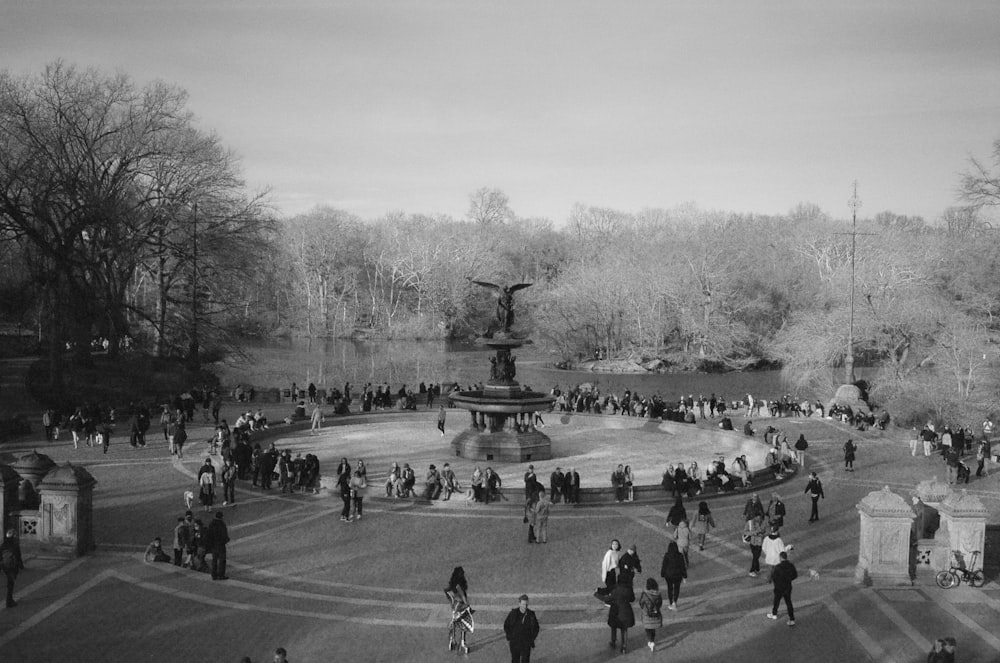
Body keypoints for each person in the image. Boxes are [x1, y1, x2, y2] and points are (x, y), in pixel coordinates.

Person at [445, 566, 473, 654]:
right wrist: (468, 606)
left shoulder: (452, 586)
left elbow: (449, 596)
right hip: (461, 607)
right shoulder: (459, 586)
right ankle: (463, 643)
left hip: (454, 607)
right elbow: (464, 598)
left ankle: (452, 641)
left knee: (454, 623)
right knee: (464, 625)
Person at [503, 594, 540, 663]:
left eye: (526, 604)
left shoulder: (531, 614)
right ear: (519, 604)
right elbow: (506, 625)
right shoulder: (513, 613)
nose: (525, 606)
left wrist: (531, 638)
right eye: (523, 604)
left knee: (525, 660)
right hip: (515, 642)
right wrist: (510, 636)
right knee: (515, 660)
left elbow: (536, 627)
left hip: (526, 642)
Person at [766, 550, 798, 626]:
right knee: (788, 602)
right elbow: (795, 575)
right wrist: (789, 579)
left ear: (780, 558)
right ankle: (792, 619)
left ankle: (774, 614)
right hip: (787, 587)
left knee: (776, 601)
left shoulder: (777, 567)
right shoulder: (791, 565)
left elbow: (774, 577)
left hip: (779, 587)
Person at [606, 576, 635, 654]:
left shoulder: (614, 589)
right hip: (626, 610)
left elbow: (609, 599)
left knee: (614, 626)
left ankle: (613, 641)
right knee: (624, 629)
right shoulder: (629, 589)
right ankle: (624, 646)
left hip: (615, 610)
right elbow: (632, 599)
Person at [638, 577, 663, 653]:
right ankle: (652, 640)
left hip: (647, 614)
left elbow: (641, 603)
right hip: (655, 614)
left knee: (648, 628)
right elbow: (660, 604)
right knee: (653, 629)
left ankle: (651, 642)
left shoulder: (645, 594)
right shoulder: (658, 594)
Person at [2, 528, 25, 608]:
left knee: (10, 582)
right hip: (12, 566)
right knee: (11, 583)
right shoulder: (15, 545)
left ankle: (10, 600)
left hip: (5, 566)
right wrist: (21, 566)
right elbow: (18, 556)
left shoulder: (3, 544)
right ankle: (9, 601)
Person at [205, 511, 229, 580]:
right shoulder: (221, 524)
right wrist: (226, 540)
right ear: (221, 517)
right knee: (222, 560)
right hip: (220, 545)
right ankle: (221, 574)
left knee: (214, 560)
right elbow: (224, 535)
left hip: (213, 545)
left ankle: (214, 574)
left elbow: (208, 535)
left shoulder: (211, 524)